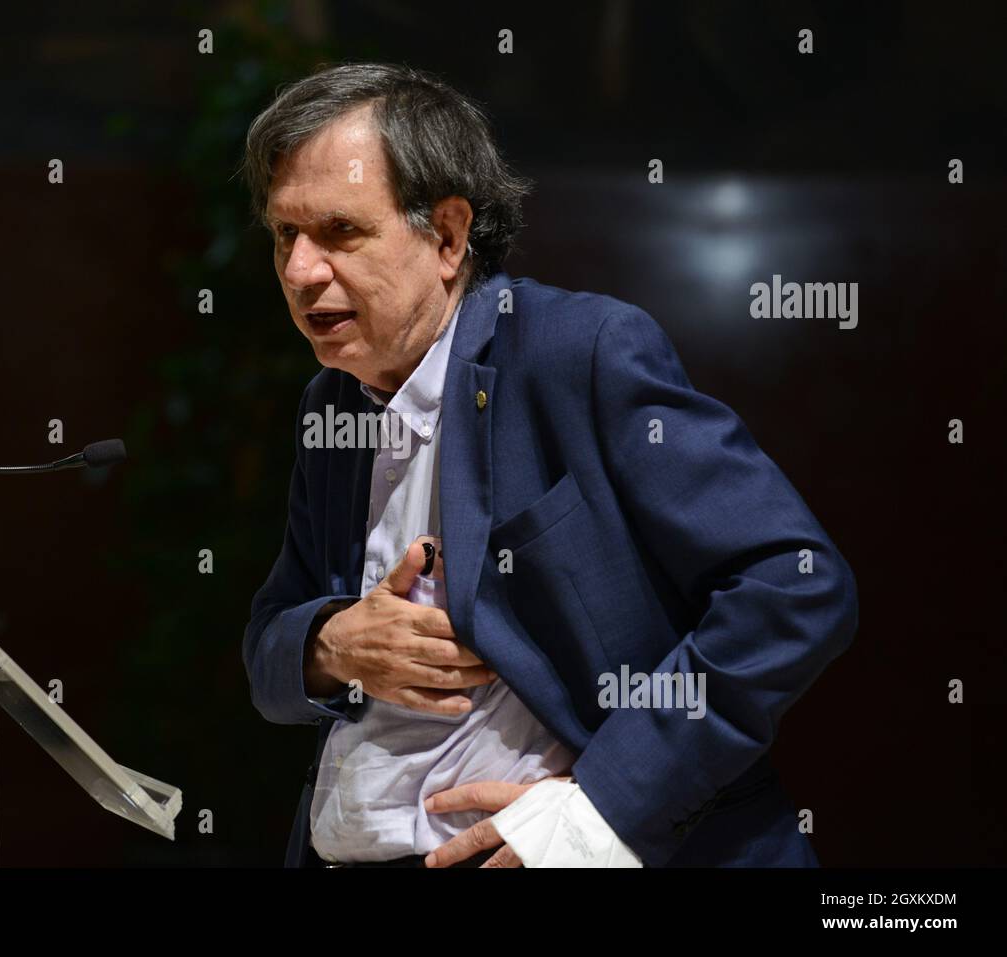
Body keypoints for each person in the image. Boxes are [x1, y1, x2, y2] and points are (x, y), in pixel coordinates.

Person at [240, 62, 857, 868]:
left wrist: (599, 812)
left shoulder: (576, 352)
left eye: (340, 232)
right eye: (286, 234)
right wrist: (332, 646)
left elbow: (796, 585)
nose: (299, 271)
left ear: (448, 237)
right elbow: (269, 644)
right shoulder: (333, 404)